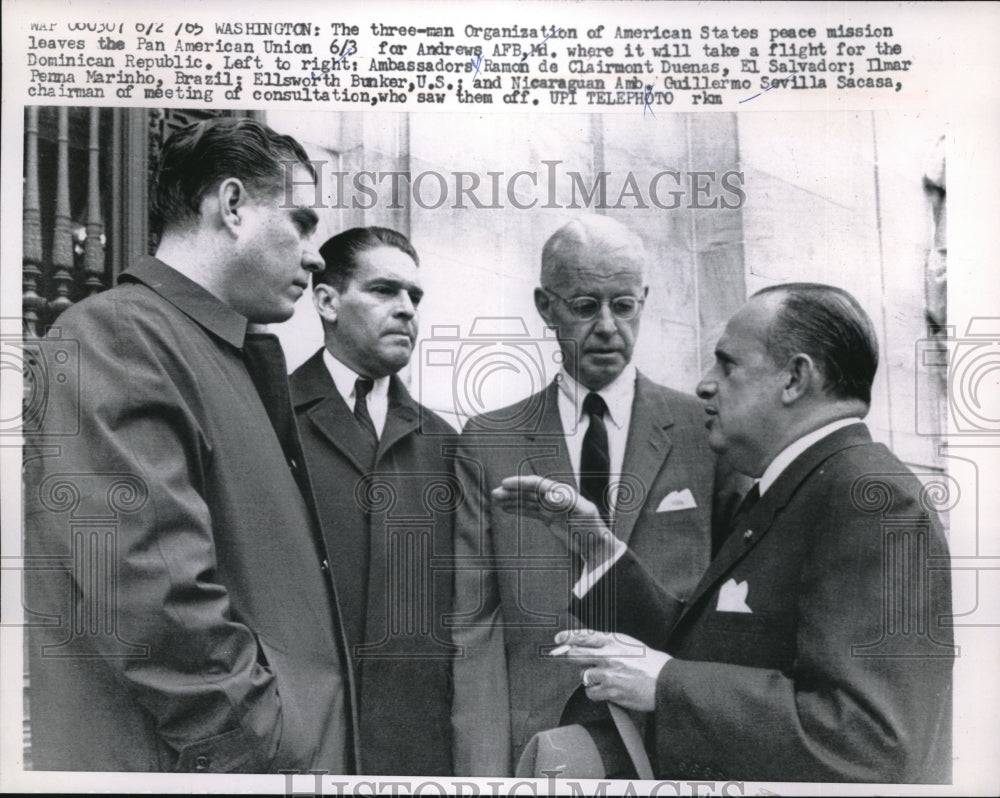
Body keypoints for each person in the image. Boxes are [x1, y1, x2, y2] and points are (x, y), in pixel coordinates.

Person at [501, 283, 954, 783]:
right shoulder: (801, 485)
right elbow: (717, 647)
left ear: (795, 378)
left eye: (727, 364)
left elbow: (870, 740)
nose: (704, 385)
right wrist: (596, 548)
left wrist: (665, 684)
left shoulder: (869, 496)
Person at [23, 117, 358, 773]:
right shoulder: (117, 336)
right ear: (232, 206)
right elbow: (152, 597)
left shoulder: (218, 349)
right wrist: (264, 744)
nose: (317, 254)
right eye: (302, 222)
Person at [451, 215, 733, 775]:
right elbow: (473, 627)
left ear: (644, 300)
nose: (607, 326)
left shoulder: (707, 432)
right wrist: (484, 776)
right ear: (545, 306)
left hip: (673, 740)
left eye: (624, 305)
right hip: (542, 742)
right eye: (584, 306)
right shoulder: (489, 441)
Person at [289, 227, 456, 776]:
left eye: (415, 297)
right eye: (385, 291)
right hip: (303, 741)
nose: (407, 310)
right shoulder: (270, 418)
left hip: (417, 748)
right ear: (327, 300)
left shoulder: (446, 442)